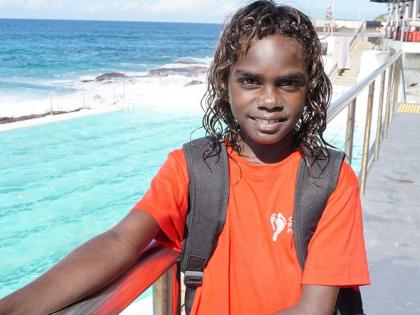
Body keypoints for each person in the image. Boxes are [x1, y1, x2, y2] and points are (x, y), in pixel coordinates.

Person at [0, 1, 370, 314]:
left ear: (310, 88)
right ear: (225, 85)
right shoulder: (191, 168)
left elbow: (314, 308)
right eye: (250, 81)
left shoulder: (330, 180)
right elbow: (121, 240)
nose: (269, 100)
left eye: (288, 82)